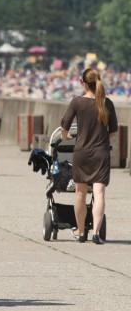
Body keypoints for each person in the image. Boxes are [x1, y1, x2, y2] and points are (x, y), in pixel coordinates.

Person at [60, 68, 118, 244]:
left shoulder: (77, 102)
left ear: (82, 82)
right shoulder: (107, 103)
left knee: (80, 193)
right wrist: (101, 138)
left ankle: (80, 231)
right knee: (99, 193)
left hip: (82, 152)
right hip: (101, 152)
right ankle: (96, 234)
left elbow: (64, 127)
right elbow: (113, 131)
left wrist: (66, 137)